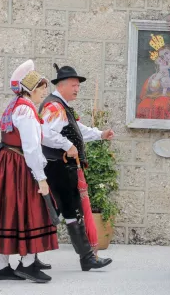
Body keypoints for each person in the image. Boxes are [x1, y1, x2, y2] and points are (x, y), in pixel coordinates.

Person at [0, 60, 58, 283]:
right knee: (31, 210)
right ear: (31, 89)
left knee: (9, 211)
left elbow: (40, 135)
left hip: (9, 164)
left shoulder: (17, 105)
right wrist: (41, 178)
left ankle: (1, 266)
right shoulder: (25, 110)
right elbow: (31, 147)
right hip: (20, 165)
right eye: (42, 89)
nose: (45, 93)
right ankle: (28, 265)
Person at [39, 64, 114, 271]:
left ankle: (86, 258)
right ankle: (85, 258)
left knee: (68, 211)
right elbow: (44, 134)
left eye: (78, 86)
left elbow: (76, 130)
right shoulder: (54, 106)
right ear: (61, 85)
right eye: (73, 85)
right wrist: (67, 145)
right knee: (54, 212)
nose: (77, 89)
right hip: (58, 168)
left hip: (63, 168)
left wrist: (99, 134)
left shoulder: (61, 106)